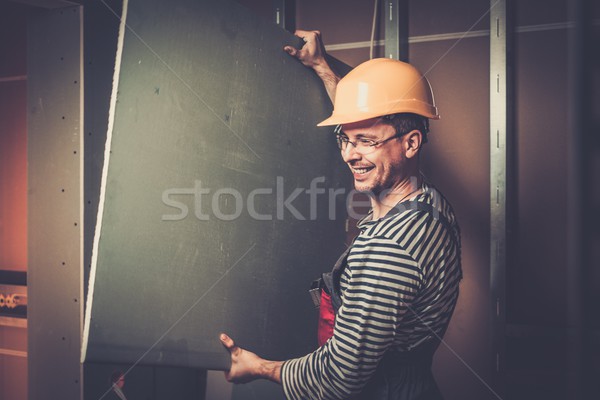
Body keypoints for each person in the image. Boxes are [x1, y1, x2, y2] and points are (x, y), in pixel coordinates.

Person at [220, 30, 462, 400]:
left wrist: (260, 368)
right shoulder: (431, 206)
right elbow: (365, 127)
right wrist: (322, 69)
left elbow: (339, 378)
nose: (350, 154)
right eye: (345, 139)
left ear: (411, 143)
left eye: (366, 142)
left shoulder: (387, 249)